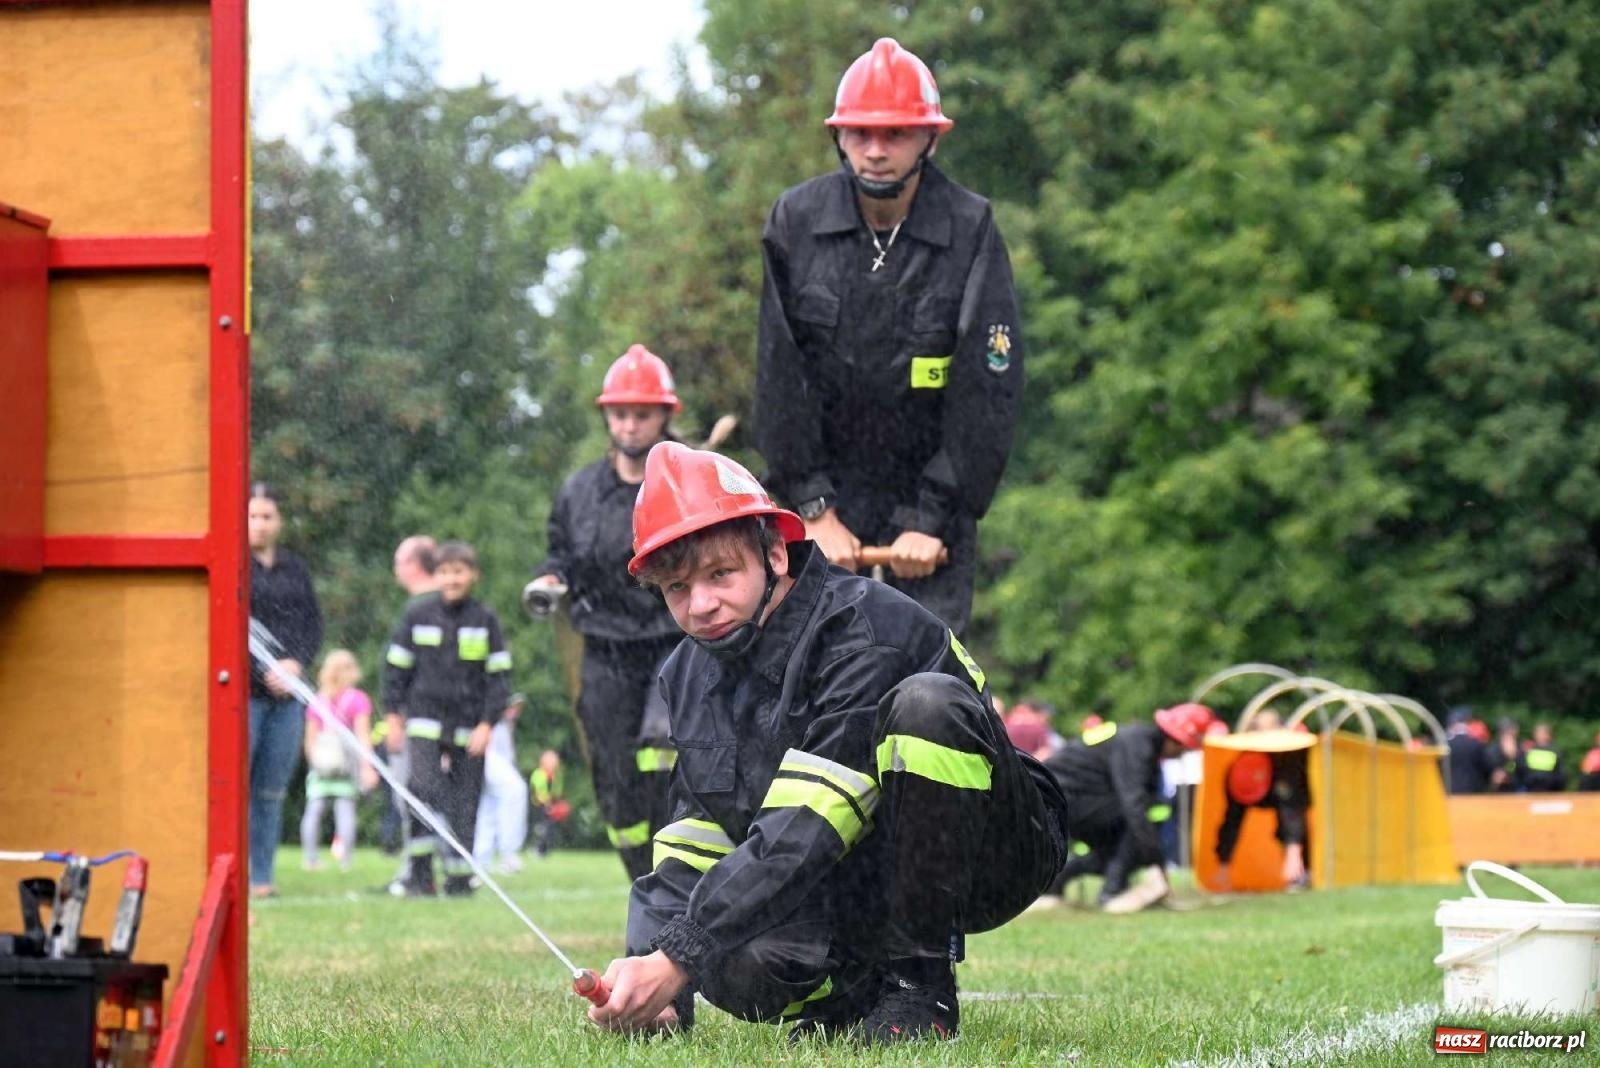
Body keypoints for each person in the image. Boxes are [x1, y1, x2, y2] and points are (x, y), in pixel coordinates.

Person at [585, 443, 1068, 1045]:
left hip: (996, 851)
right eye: (676, 588)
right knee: (740, 969)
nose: (700, 605)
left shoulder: (868, 632)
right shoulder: (688, 672)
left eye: (720, 575)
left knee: (927, 706)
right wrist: (658, 976)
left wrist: (678, 954)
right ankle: (853, 993)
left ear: (776, 555)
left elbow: (812, 822)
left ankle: (920, 992)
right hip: (859, 861)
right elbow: (696, 830)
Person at [753, 37, 1024, 636]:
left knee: (925, 697)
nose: (876, 152)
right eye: (861, 134)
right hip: (817, 507)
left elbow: (988, 392)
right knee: (811, 694)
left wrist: (932, 518)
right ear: (838, 137)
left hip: (931, 513)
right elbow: (779, 380)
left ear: (930, 138)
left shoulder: (971, 227)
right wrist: (814, 509)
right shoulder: (794, 223)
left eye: (895, 135)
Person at [527, 345, 685, 881]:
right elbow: (561, 553)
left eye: (642, 414)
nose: (631, 425)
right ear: (607, 417)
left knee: (665, 751)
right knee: (614, 771)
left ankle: (678, 877)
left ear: (665, 415)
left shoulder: (690, 482)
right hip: (605, 647)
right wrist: (552, 578)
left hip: (678, 640)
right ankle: (641, 877)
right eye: (621, 413)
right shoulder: (578, 492)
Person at [382, 540, 512, 896]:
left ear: (473, 575)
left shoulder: (485, 620)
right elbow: (395, 670)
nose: (451, 579)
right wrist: (393, 716)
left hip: (471, 727)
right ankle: (420, 875)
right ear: (435, 575)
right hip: (423, 721)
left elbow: (499, 679)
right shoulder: (416, 615)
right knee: (422, 788)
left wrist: (488, 724)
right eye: (444, 571)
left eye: (458, 571)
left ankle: (458, 880)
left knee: (465, 803)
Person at [1034, 703, 1215, 913]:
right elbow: (1134, 805)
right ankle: (1113, 893)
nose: (1183, 753)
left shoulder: (1139, 740)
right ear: (1177, 740)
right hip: (1066, 798)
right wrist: (1156, 863)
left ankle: (1056, 883)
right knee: (1138, 827)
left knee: (1120, 848)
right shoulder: (1138, 744)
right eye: (1185, 748)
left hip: (1061, 797)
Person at [247, 482, 324, 899]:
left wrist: (295, 664)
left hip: (288, 698)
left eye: (267, 516)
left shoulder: (295, 570)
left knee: (271, 790)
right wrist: (262, 672)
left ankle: (262, 877)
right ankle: (231, 873)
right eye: (253, 516)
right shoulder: (233, 563)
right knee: (235, 788)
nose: (259, 524)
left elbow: (312, 624)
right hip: (242, 696)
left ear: (279, 522)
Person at [376, 535, 439, 855]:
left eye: (398, 562)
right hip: (433, 720)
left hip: (418, 721)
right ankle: (421, 870)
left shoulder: (420, 609)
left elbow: (397, 670)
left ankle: (415, 871)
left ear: (414, 566)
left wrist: (393, 717)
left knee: (411, 796)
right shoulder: (439, 607)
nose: (395, 570)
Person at [1211, 709, 1311, 892]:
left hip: (1283, 791)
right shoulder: (1244, 762)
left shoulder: (1290, 761)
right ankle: (1222, 870)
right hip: (1253, 783)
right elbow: (1232, 818)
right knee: (1232, 820)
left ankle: (1298, 870)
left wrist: (1294, 852)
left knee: (1290, 814)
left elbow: (1292, 811)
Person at [301, 649, 378, 871]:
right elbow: (363, 735)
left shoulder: (317, 700)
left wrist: (314, 763)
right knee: (345, 812)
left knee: (314, 811)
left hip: (321, 766)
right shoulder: (358, 700)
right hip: (346, 765)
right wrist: (367, 766)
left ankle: (311, 858)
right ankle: (345, 861)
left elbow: (310, 738)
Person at [474, 693, 530, 874]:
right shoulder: (495, 723)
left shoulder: (506, 727)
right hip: (488, 761)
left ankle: (481, 858)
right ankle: (508, 852)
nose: (515, 711)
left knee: (488, 808)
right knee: (516, 791)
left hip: (492, 766)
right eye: (512, 707)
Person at [1445, 706, 1502, 794]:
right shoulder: (1475, 744)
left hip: (1446, 794)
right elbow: (1487, 767)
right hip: (1471, 794)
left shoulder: (1443, 745)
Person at [529, 748, 569, 859]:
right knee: (541, 828)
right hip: (537, 805)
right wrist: (548, 804)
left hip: (549, 804)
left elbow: (557, 792)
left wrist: (558, 804)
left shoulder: (557, 775)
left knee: (549, 828)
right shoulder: (538, 774)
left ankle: (544, 850)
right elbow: (537, 793)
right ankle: (536, 848)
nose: (555, 762)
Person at [1512, 722, 1567, 792]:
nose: (1541, 736)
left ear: (1549, 735)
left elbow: (1560, 774)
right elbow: (1519, 770)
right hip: (1529, 790)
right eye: (1539, 733)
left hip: (1549, 791)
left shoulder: (1555, 752)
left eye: (1543, 733)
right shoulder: (1527, 749)